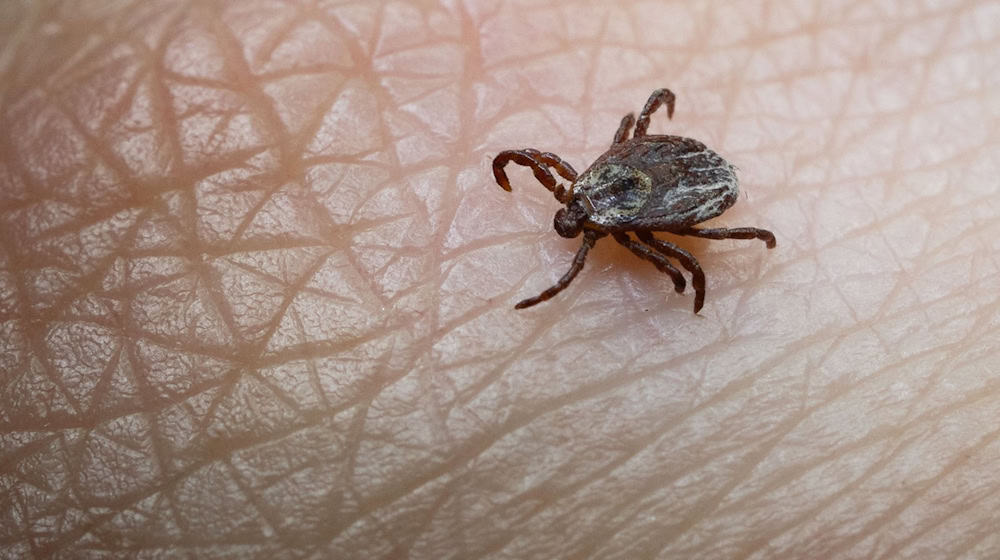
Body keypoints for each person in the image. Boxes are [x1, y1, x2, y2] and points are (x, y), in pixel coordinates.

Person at [2, 1, 998, 557]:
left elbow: (670, 225)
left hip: (674, 182)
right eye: (570, 209)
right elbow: (635, 148)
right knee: (668, 207)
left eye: (571, 211)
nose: (568, 220)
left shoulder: (619, 223)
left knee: (695, 235)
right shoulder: (611, 204)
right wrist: (606, 188)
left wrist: (701, 249)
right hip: (666, 178)